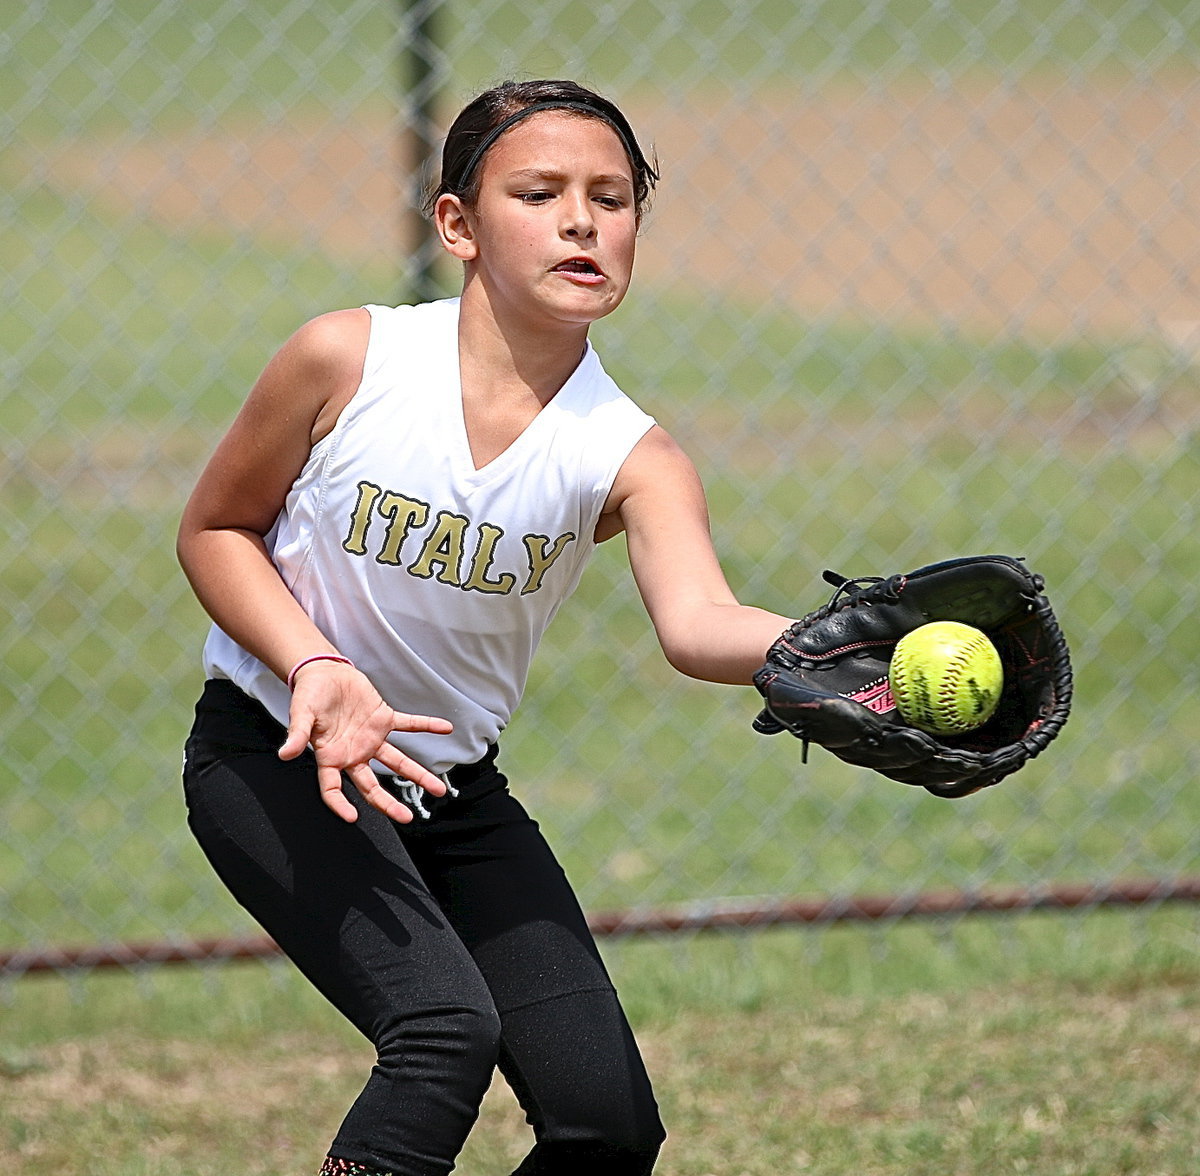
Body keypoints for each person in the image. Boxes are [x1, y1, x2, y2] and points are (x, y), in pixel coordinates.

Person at [178, 78, 791, 1176]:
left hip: (449, 794)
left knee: (606, 1124)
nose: (581, 220)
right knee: (440, 1033)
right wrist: (314, 663)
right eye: (539, 191)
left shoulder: (628, 453)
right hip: (275, 755)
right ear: (457, 224)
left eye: (613, 197)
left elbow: (699, 623)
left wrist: (838, 647)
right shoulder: (348, 361)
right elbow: (217, 529)